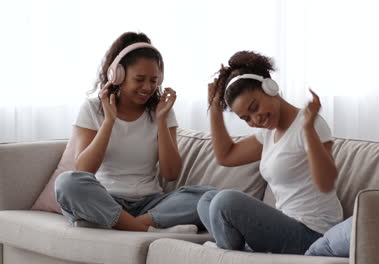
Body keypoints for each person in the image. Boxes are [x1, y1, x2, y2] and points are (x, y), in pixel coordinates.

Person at [54, 32, 215, 233]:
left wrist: (162, 121)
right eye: (139, 79)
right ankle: (143, 227)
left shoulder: (162, 111)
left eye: (153, 80)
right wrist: (109, 121)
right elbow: (84, 170)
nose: (147, 87)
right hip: (105, 198)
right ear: (118, 75)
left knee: (209, 196)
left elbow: (171, 173)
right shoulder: (93, 108)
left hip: (150, 204)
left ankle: (116, 223)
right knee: (67, 183)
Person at [197, 50, 343, 254]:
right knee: (207, 200)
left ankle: (230, 250)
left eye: (254, 107)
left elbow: (326, 183)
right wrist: (214, 107)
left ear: (270, 87)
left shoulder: (310, 123)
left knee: (225, 202)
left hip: (312, 233)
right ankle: (236, 250)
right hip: (286, 224)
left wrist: (308, 130)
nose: (256, 119)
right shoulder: (268, 135)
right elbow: (226, 156)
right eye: (246, 118)